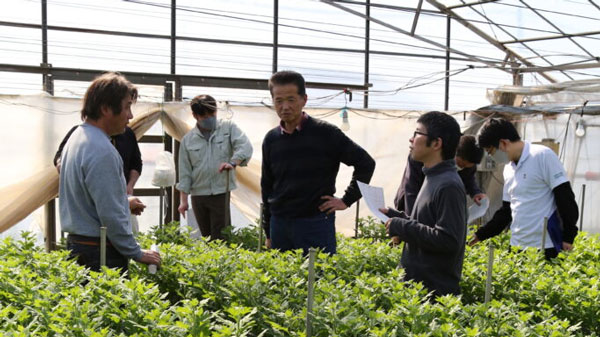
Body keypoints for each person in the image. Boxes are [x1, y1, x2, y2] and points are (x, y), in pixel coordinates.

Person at [261, 70, 376, 255]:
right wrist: (268, 231)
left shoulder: (326, 134)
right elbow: (267, 185)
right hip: (280, 223)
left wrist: (346, 200)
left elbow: (365, 163)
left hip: (314, 223)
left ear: (304, 99)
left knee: (318, 278)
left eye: (291, 99)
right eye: (279, 100)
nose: (285, 106)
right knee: (283, 280)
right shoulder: (271, 139)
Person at [59, 72, 161, 273]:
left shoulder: (77, 138)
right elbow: (110, 214)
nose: (130, 116)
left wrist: (124, 202)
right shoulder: (102, 150)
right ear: (106, 109)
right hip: (100, 252)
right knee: (108, 302)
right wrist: (136, 252)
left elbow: (90, 200)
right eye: (127, 107)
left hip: (79, 245)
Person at [381, 111, 466, 297]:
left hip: (433, 296)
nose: (411, 140)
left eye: (417, 133)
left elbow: (449, 240)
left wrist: (403, 226)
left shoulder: (448, 185)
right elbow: (427, 225)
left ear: (437, 143)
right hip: (418, 293)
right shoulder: (432, 176)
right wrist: (397, 218)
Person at [468, 118, 579, 260]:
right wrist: (481, 234)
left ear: (503, 143)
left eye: (490, 151)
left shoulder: (542, 156)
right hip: (517, 247)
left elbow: (565, 197)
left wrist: (568, 236)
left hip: (546, 246)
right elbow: (506, 211)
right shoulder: (508, 169)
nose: (490, 156)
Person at [177, 94, 253, 240]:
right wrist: (183, 201)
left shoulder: (228, 128)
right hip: (198, 194)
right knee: (205, 236)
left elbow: (245, 146)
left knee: (221, 236)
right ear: (195, 116)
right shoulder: (188, 140)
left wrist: (233, 163)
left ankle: (223, 262)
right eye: (204, 116)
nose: (209, 119)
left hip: (221, 191)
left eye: (212, 114)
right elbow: (184, 172)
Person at [54, 120, 145, 231]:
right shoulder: (79, 134)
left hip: (122, 200)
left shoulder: (128, 134)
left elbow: (136, 164)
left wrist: (129, 186)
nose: (130, 116)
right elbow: (59, 159)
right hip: (92, 210)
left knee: (127, 233)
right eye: (126, 107)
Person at [394, 135, 486, 216]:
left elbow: (469, 178)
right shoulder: (425, 155)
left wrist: (476, 192)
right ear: (454, 152)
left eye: (466, 166)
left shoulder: (470, 160)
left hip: (437, 205)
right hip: (411, 201)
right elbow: (411, 189)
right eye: (460, 164)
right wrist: (411, 221)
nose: (461, 168)